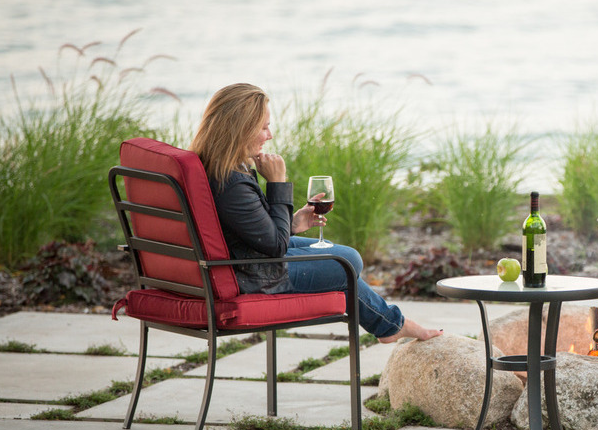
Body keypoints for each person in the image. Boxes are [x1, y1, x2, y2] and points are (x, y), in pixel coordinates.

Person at [189, 83, 441, 343]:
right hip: (254, 275)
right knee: (346, 262)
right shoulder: (232, 183)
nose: (270, 135)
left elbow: (254, 231)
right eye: (263, 127)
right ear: (240, 128)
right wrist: (277, 183)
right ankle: (390, 325)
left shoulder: (216, 168)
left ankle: (389, 324)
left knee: (342, 255)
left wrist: (293, 224)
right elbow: (274, 246)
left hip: (243, 259)